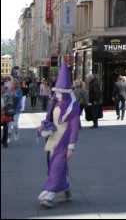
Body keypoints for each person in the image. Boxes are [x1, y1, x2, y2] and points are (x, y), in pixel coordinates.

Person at [37, 61, 80, 209]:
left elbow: (75, 128)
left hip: (64, 142)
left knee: (56, 167)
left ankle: (47, 195)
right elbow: (48, 119)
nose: (59, 95)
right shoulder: (54, 104)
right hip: (52, 140)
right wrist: (43, 124)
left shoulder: (73, 108)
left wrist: (71, 147)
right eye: (57, 92)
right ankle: (65, 188)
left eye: (61, 93)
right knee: (55, 166)